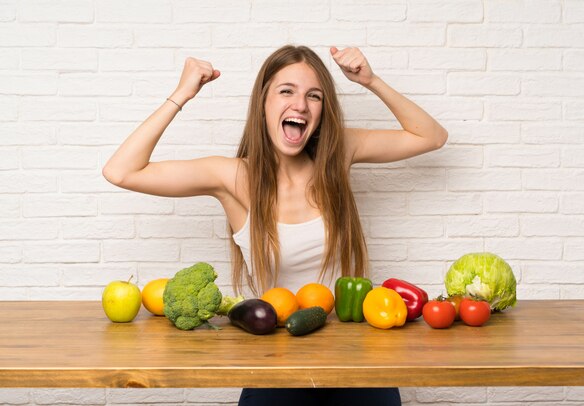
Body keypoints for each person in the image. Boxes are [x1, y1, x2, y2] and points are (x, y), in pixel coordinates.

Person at [103, 44, 447, 406]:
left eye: (313, 96)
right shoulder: (234, 177)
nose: (300, 104)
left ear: (322, 110)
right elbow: (121, 171)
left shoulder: (337, 153)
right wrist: (182, 94)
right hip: (276, 359)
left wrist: (371, 81)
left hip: (355, 353)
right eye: (287, 91)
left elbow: (431, 136)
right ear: (263, 102)